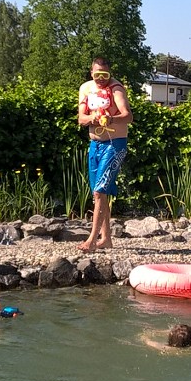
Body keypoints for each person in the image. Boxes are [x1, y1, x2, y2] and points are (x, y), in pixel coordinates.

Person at [76, 57, 131, 252]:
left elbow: (127, 115)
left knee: (100, 191)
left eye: (105, 75)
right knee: (98, 193)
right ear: (91, 73)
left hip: (115, 145)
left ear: (110, 74)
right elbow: (81, 118)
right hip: (95, 144)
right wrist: (93, 118)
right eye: (97, 74)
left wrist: (110, 119)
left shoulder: (116, 89)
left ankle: (92, 240)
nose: (101, 78)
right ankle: (106, 239)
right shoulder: (85, 88)